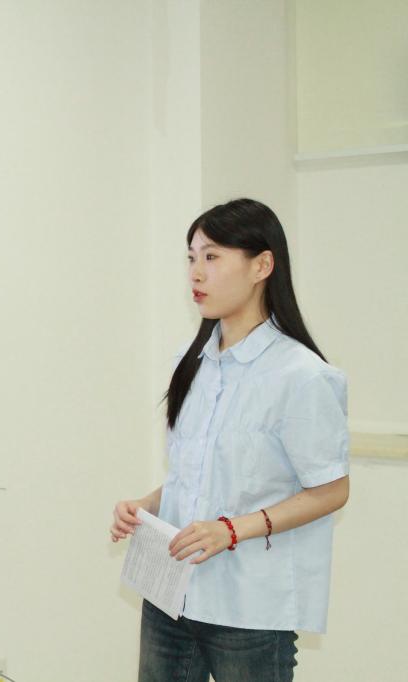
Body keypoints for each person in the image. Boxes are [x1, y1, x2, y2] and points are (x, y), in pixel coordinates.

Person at [111, 198, 350, 682]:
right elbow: (198, 472)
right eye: (191, 258)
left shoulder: (301, 375)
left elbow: (331, 490)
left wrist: (232, 530)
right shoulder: (192, 359)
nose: (196, 273)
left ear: (262, 265)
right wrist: (147, 505)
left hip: (250, 609)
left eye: (213, 257)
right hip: (170, 594)